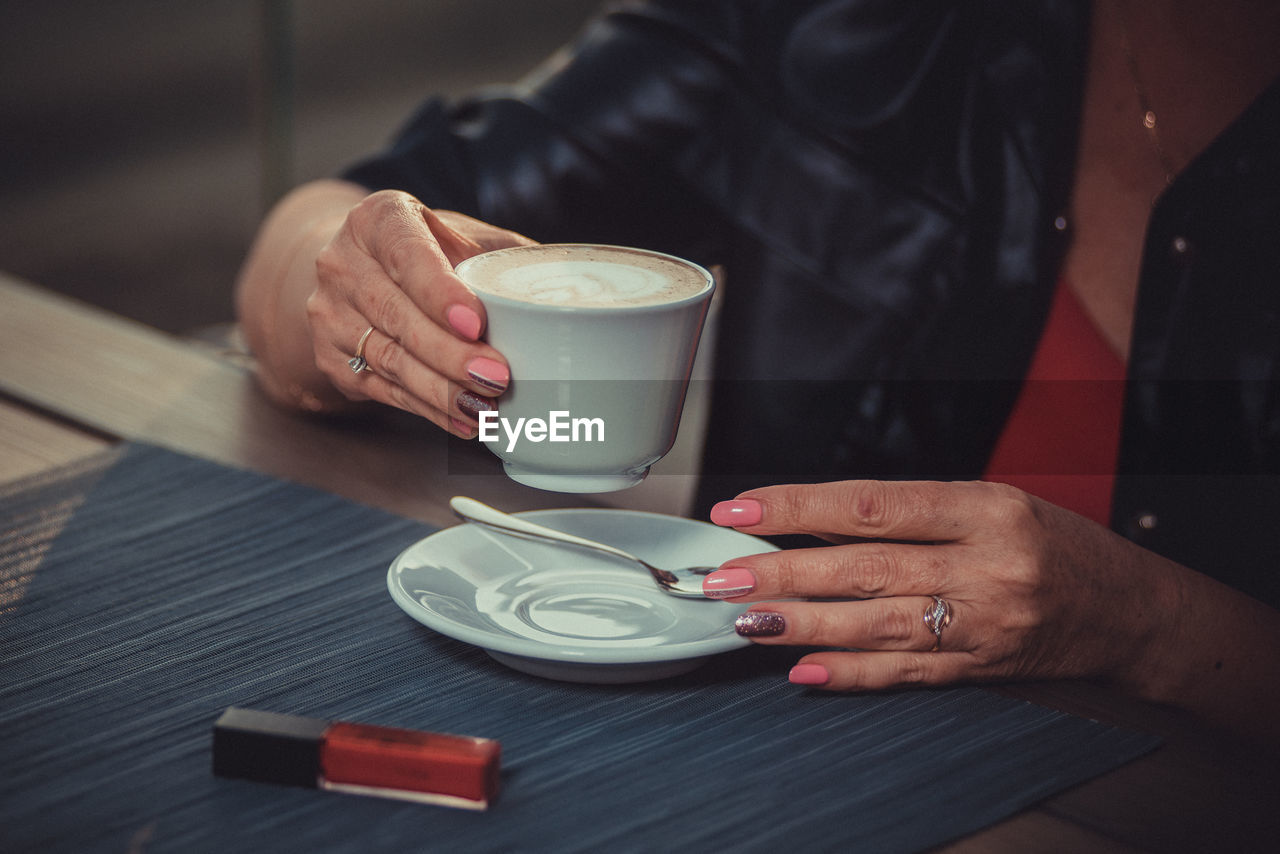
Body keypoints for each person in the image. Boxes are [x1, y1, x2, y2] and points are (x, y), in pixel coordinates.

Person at [235, 1, 1280, 745]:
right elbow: (317, 234)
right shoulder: (832, 24)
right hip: (731, 746)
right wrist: (354, 292)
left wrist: (1149, 624)